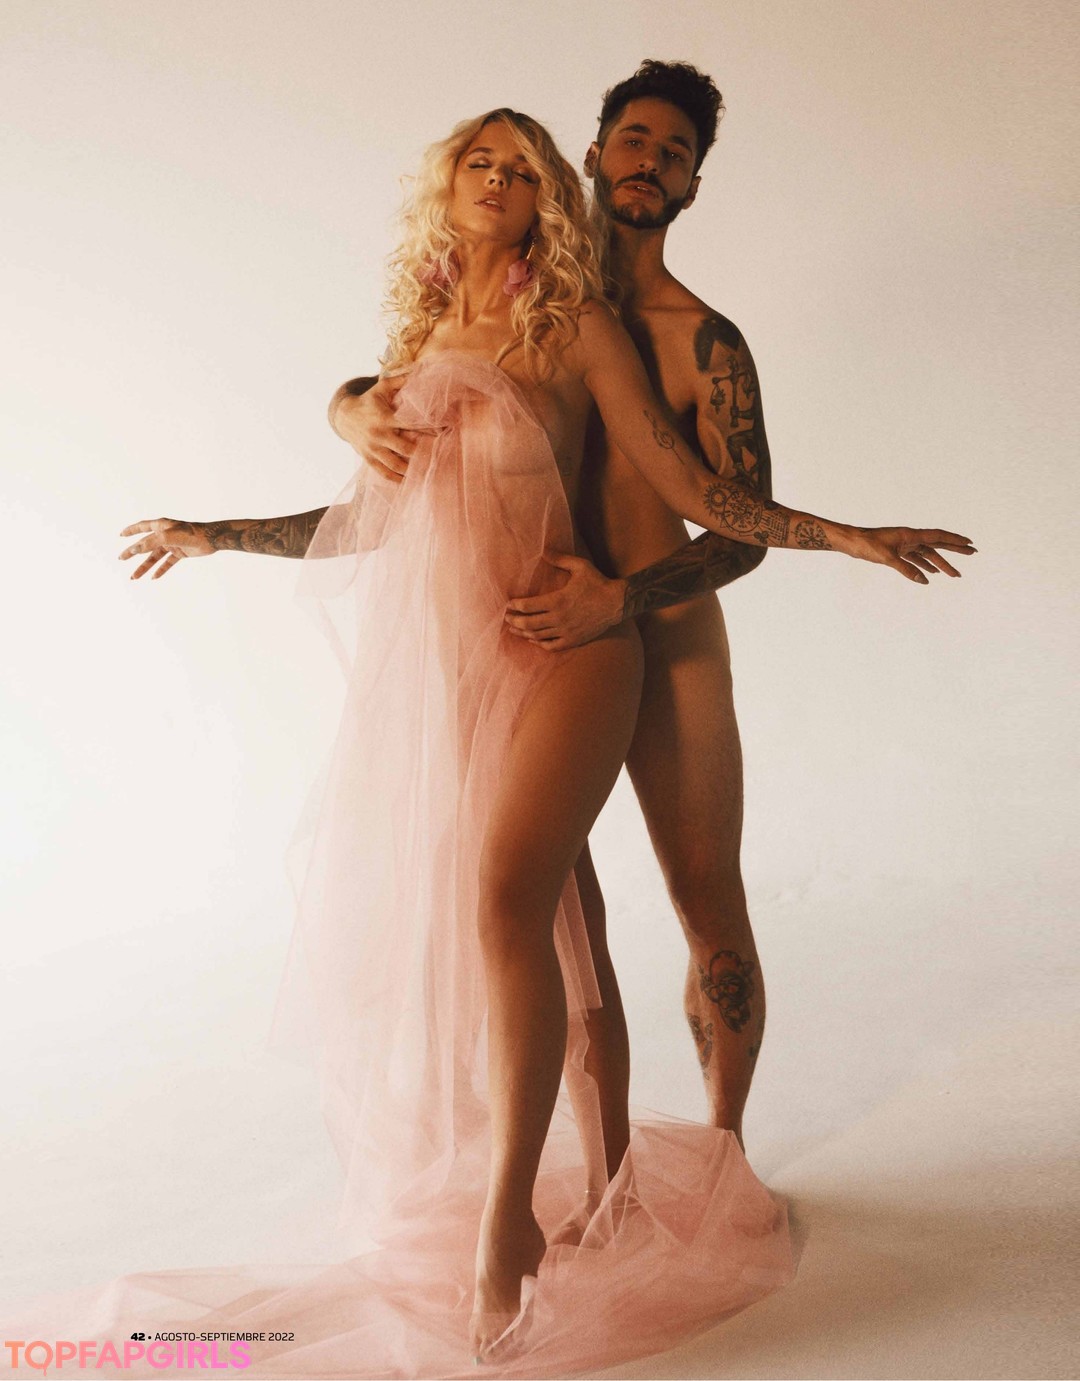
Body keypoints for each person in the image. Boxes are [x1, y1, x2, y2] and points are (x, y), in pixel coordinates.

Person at [118, 107, 973, 1370]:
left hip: (607, 634)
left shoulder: (625, 333)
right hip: (482, 658)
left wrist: (847, 535)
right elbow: (378, 514)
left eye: (521, 168)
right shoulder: (426, 339)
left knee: (581, 897)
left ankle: (601, 1194)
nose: (501, 179)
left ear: (567, 194)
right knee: (563, 928)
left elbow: (707, 500)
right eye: (482, 160)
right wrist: (234, 518)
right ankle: (607, 1174)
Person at [325, 62, 975, 1154]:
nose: (651, 162)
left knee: (705, 894)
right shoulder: (509, 295)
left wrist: (643, 590)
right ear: (589, 155)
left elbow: (731, 523)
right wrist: (344, 405)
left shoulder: (699, 338)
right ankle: (598, 1169)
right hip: (527, 635)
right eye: (634, 139)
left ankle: (724, 1149)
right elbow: (406, 419)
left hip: (659, 629)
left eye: (676, 154)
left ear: (691, 187)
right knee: (548, 911)